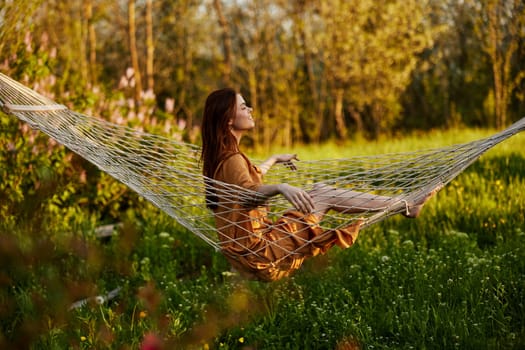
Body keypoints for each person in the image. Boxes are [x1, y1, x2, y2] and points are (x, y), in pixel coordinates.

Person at [200, 88, 439, 282]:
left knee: (320, 192)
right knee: (323, 193)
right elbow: (247, 195)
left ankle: (405, 205)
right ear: (229, 119)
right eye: (243, 106)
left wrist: (273, 159)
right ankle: (406, 205)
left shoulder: (224, 159)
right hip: (262, 253)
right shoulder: (232, 159)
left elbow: (247, 180)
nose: (250, 109)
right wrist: (281, 187)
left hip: (252, 255)